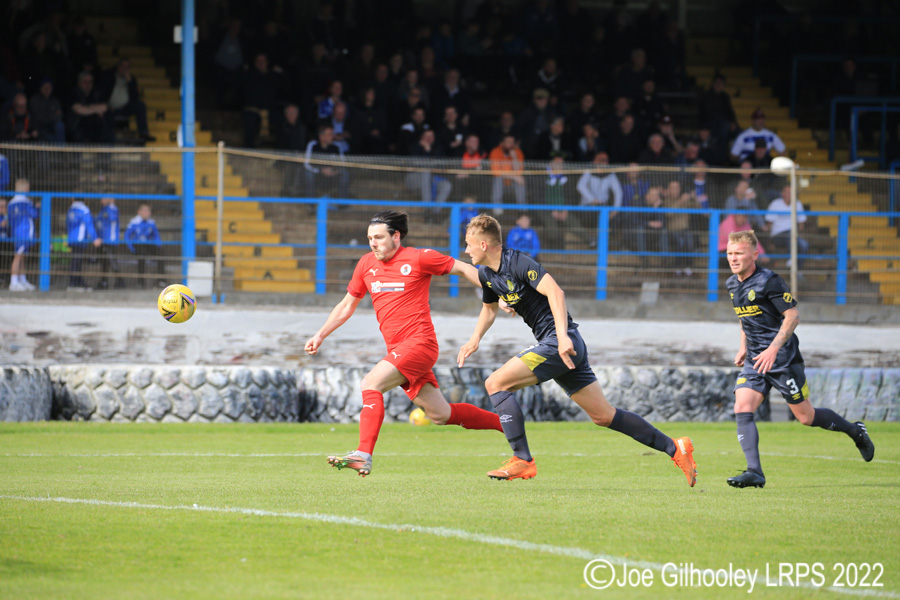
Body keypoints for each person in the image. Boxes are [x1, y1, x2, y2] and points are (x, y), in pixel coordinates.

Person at [458, 214, 697, 484]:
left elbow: (556, 293)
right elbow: (489, 308)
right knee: (604, 416)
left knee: (495, 383)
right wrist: (474, 339)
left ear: (484, 244)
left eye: (468, 244)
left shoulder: (518, 261)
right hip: (561, 347)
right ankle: (676, 448)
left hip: (560, 342)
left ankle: (522, 459)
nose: (466, 250)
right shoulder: (487, 274)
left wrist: (561, 338)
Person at [304, 211, 504, 477]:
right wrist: (321, 334)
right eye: (369, 238)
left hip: (420, 344)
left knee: (370, 384)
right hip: (400, 351)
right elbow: (346, 305)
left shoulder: (420, 258)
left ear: (396, 236)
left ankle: (363, 455)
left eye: (378, 237)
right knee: (440, 414)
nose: (372, 243)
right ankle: (508, 423)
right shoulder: (365, 264)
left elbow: (465, 268)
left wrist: (501, 294)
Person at [724, 230, 875, 488]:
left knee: (806, 416)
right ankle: (755, 472)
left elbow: (792, 316)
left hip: (783, 359)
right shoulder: (732, 284)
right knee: (742, 406)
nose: (733, 258)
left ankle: (855, 431)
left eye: (739, 253)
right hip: (756, 360)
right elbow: (745, 319)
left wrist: (772, 350)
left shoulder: (769, 280)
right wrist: (743, 347)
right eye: (729, 253)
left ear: (754, 255)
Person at [100, 58, 155, 142]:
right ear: (118, 67)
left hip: (124, 108)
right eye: (123, 66)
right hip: (109, 107)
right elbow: (102, 93)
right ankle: (109, 139)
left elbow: (135, 98)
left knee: (140, 105)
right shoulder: (109, 76)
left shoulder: (131, 79)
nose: (125, 69)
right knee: (105, 113)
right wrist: (107, 105)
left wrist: (129, 82)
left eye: (128, 67)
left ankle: (144, 133)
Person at [765, 185, 808, 267]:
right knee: (790, 235)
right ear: (782, 193)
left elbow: (801, 223)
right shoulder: (775, 204)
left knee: (804, 245)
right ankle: (791, 260)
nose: (789, 194)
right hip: (777, 235)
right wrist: (769, 239)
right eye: (787, 192)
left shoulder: (797, 204)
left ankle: (798, 269)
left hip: (793, 235)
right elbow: (769, 224)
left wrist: (798, 234)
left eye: (791, 192)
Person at [7, 179, 39, 291]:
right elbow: (34, 214)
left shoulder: (10, 203)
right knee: (18, 257)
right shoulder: (26, 202)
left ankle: (22, 280)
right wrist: (37, 207)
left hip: (15, 232)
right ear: (26, 189)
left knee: (21, 257)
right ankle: (14, 282)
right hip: (25, 232)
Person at [124, 204, 165, 288]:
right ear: (139, 212)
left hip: (148, 244)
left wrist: (158, 245)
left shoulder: (151, 222)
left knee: (161, 254)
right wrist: (132, 248)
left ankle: (161, 280)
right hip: (138, 245)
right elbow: (126, 236)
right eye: (145, 211)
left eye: (149, 211)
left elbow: (156, 236)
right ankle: (140, 282)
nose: (148, 213)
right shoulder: (134, 222)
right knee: (141, 256)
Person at [66, 197, 100, 290]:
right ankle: (74, 284)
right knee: (77, 262)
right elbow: (89, 224)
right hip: (80, 239)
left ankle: (77, 282)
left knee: (75, 261)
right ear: (85, 199)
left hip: (72, 238)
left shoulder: (70, 209)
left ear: (72, 199)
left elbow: (67, 224)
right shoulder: (84, 210)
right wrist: (95, 238)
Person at [488, 134, 526, 215]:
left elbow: (519, 171)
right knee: (498, 179)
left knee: (520, 180)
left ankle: (522, 207)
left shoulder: (517, 152)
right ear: (502, 143)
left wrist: (514, 157)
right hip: (500, 183)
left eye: (512, 142)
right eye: (508, 142)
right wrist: (513, 177)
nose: (511, 145)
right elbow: (496, 172)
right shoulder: (495, 152)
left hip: (512, 183)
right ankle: (497, 206)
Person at [94, 196, 124, 289]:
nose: (101, 200)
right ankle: (104, 281)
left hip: (110, 240)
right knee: (104, 262)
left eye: (104, 198)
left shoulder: (112, 208)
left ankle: (120, 281)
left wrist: (107, 206)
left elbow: (112, 218)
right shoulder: (103, 210)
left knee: (111, 261)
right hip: (102, 240)